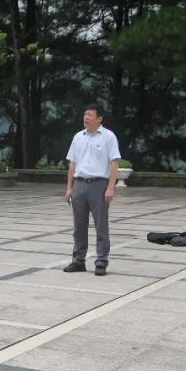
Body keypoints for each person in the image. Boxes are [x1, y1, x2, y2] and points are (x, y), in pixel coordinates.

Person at [64, 102, 121, 276]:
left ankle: (101, 261)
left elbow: (114, 163)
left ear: (99, 118)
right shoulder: (78, 137)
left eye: (90, 115)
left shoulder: (108, 137)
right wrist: (69, 187)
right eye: (85, 114)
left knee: (101, 226)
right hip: (79, 184)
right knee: (79, 227)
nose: (86, 117)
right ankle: (78, 261)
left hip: (99, 185)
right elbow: (72, 164)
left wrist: (110, 187)